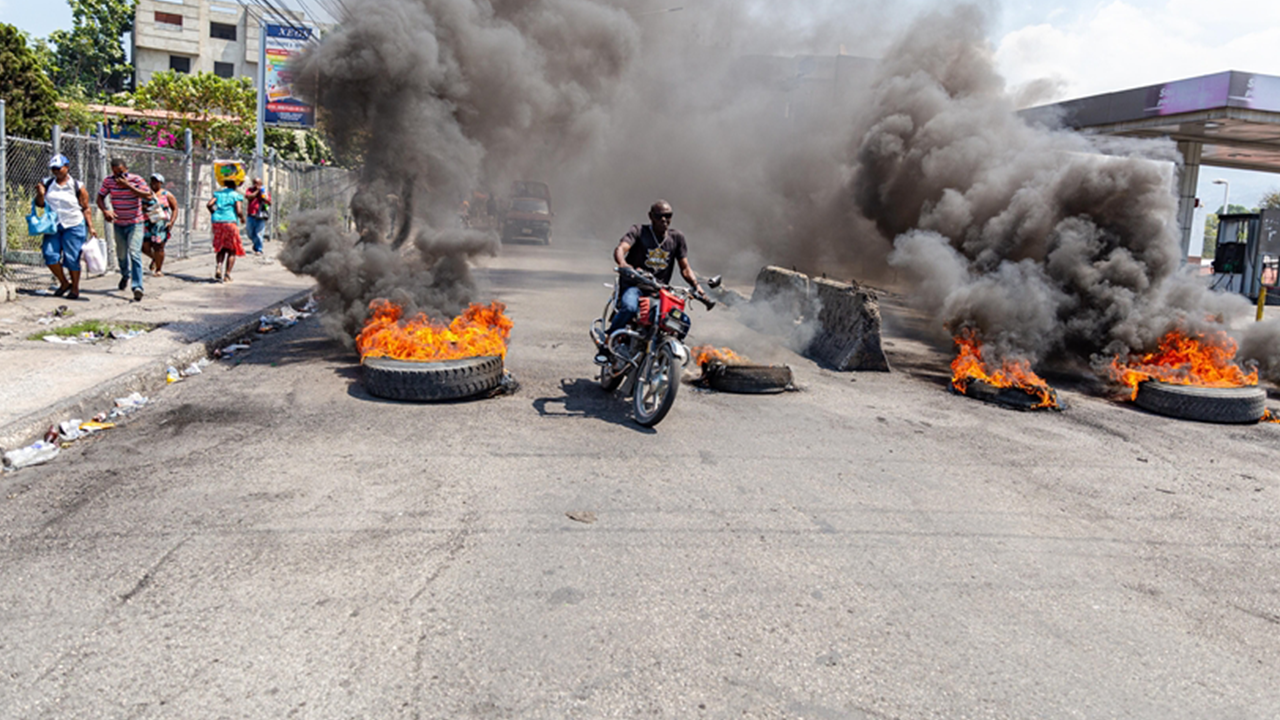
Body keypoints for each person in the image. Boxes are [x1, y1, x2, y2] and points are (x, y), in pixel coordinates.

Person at [596, 200, 706, 363]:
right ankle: (606, 345)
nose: (664, 220)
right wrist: (623, 264)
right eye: (659, 216)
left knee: (683, 322)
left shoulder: (677, 238)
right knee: (629, 308)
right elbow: (621, 248)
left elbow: (685, 268)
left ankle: (666, 357)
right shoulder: (639, 231)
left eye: (668, 216)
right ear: (651, 216)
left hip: (660, 292)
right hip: (635, 286)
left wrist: (697, 286)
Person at [34, 154, 97, 301]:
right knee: (49, 254)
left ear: (67, 167)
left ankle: (75, 288)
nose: (56, 171)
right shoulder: (47, 183)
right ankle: (64, 282)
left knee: (72, 258)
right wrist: (40, 194)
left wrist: (91, 226)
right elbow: (40, 204)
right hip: (53, 225)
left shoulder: (77, 186)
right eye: (53, 169)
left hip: (74, 224)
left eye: (59, 168)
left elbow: (85, 207)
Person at [96, 158, 154, 301]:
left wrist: (128, 186)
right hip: (119, 223)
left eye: (121, 173)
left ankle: (137, 287)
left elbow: (148, 195)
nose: (118, 176)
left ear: (126, 169)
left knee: (134, 253)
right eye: (115, 173)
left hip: (135, 223)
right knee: (121, 254)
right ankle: (125, 274)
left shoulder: (136, 180)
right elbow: (100, 198)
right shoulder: (109, 181)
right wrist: (105, 211)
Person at [207, 178, 245, 282]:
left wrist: (214, 212)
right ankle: (227, 275)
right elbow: (239, 210)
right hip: (230, 222)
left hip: (217, 222)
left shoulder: (218, 194)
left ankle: (219, 266)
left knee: (221, 247)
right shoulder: (236, 195)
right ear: (235, 185)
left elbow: (209, 204)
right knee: (232, 249)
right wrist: (242, 218)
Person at [142, 173, 179, 276]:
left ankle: (158, 269)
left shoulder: (166, 194)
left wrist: (171, 222)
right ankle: (155, 258)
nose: (154, 183)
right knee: (144, 246)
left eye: (156, 181)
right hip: (147, 223)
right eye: (152, 180)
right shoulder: (145, 193)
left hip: (160, 223)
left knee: (158, 246)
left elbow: (175, 208)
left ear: (161, 183)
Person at [243, 177, 271, 254]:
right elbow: (249, 197)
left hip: (261, 216)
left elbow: (269, 202)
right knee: (250, 233)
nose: (256, 185)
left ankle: (259, 249)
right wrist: (257, 191)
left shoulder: (264, 191)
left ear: (261, 184)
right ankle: (256, 244)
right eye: (255, 183)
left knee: (259, 233)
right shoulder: (250, 190)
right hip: (251, 215)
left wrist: (263, 195)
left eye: (258, 183)